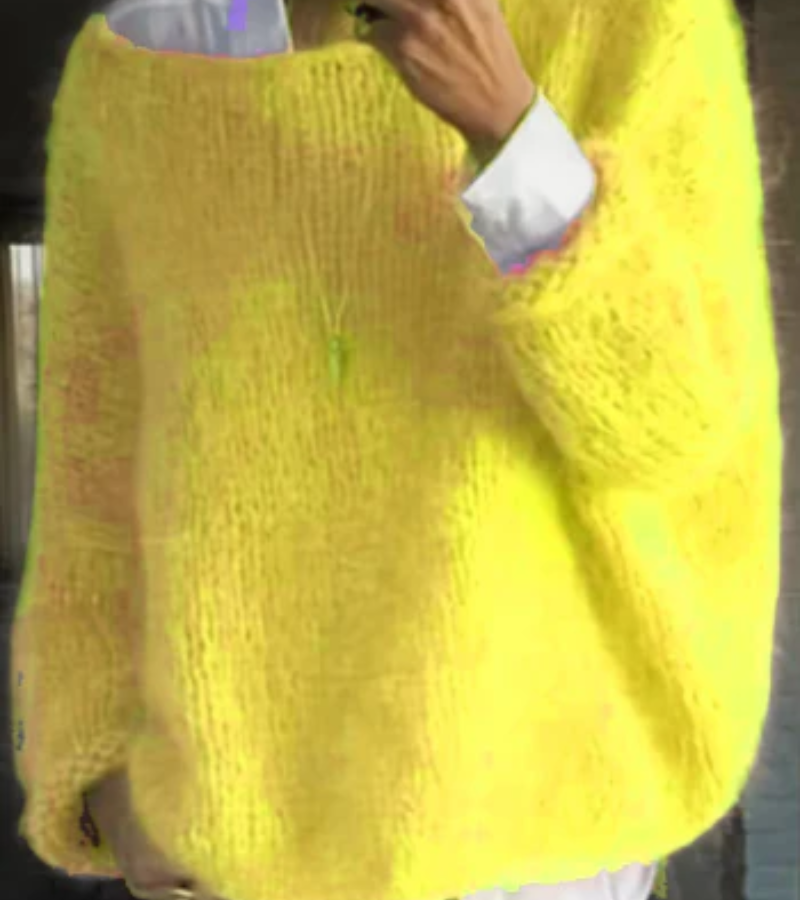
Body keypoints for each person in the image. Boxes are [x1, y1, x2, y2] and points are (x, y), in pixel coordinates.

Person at [10, 1, 782, 900]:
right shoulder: (151, 47)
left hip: (530, 856)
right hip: (233, 855)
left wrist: (510, 129)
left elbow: (676, 430)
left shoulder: (639, 30)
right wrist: (101, 777)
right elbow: (92, 467)